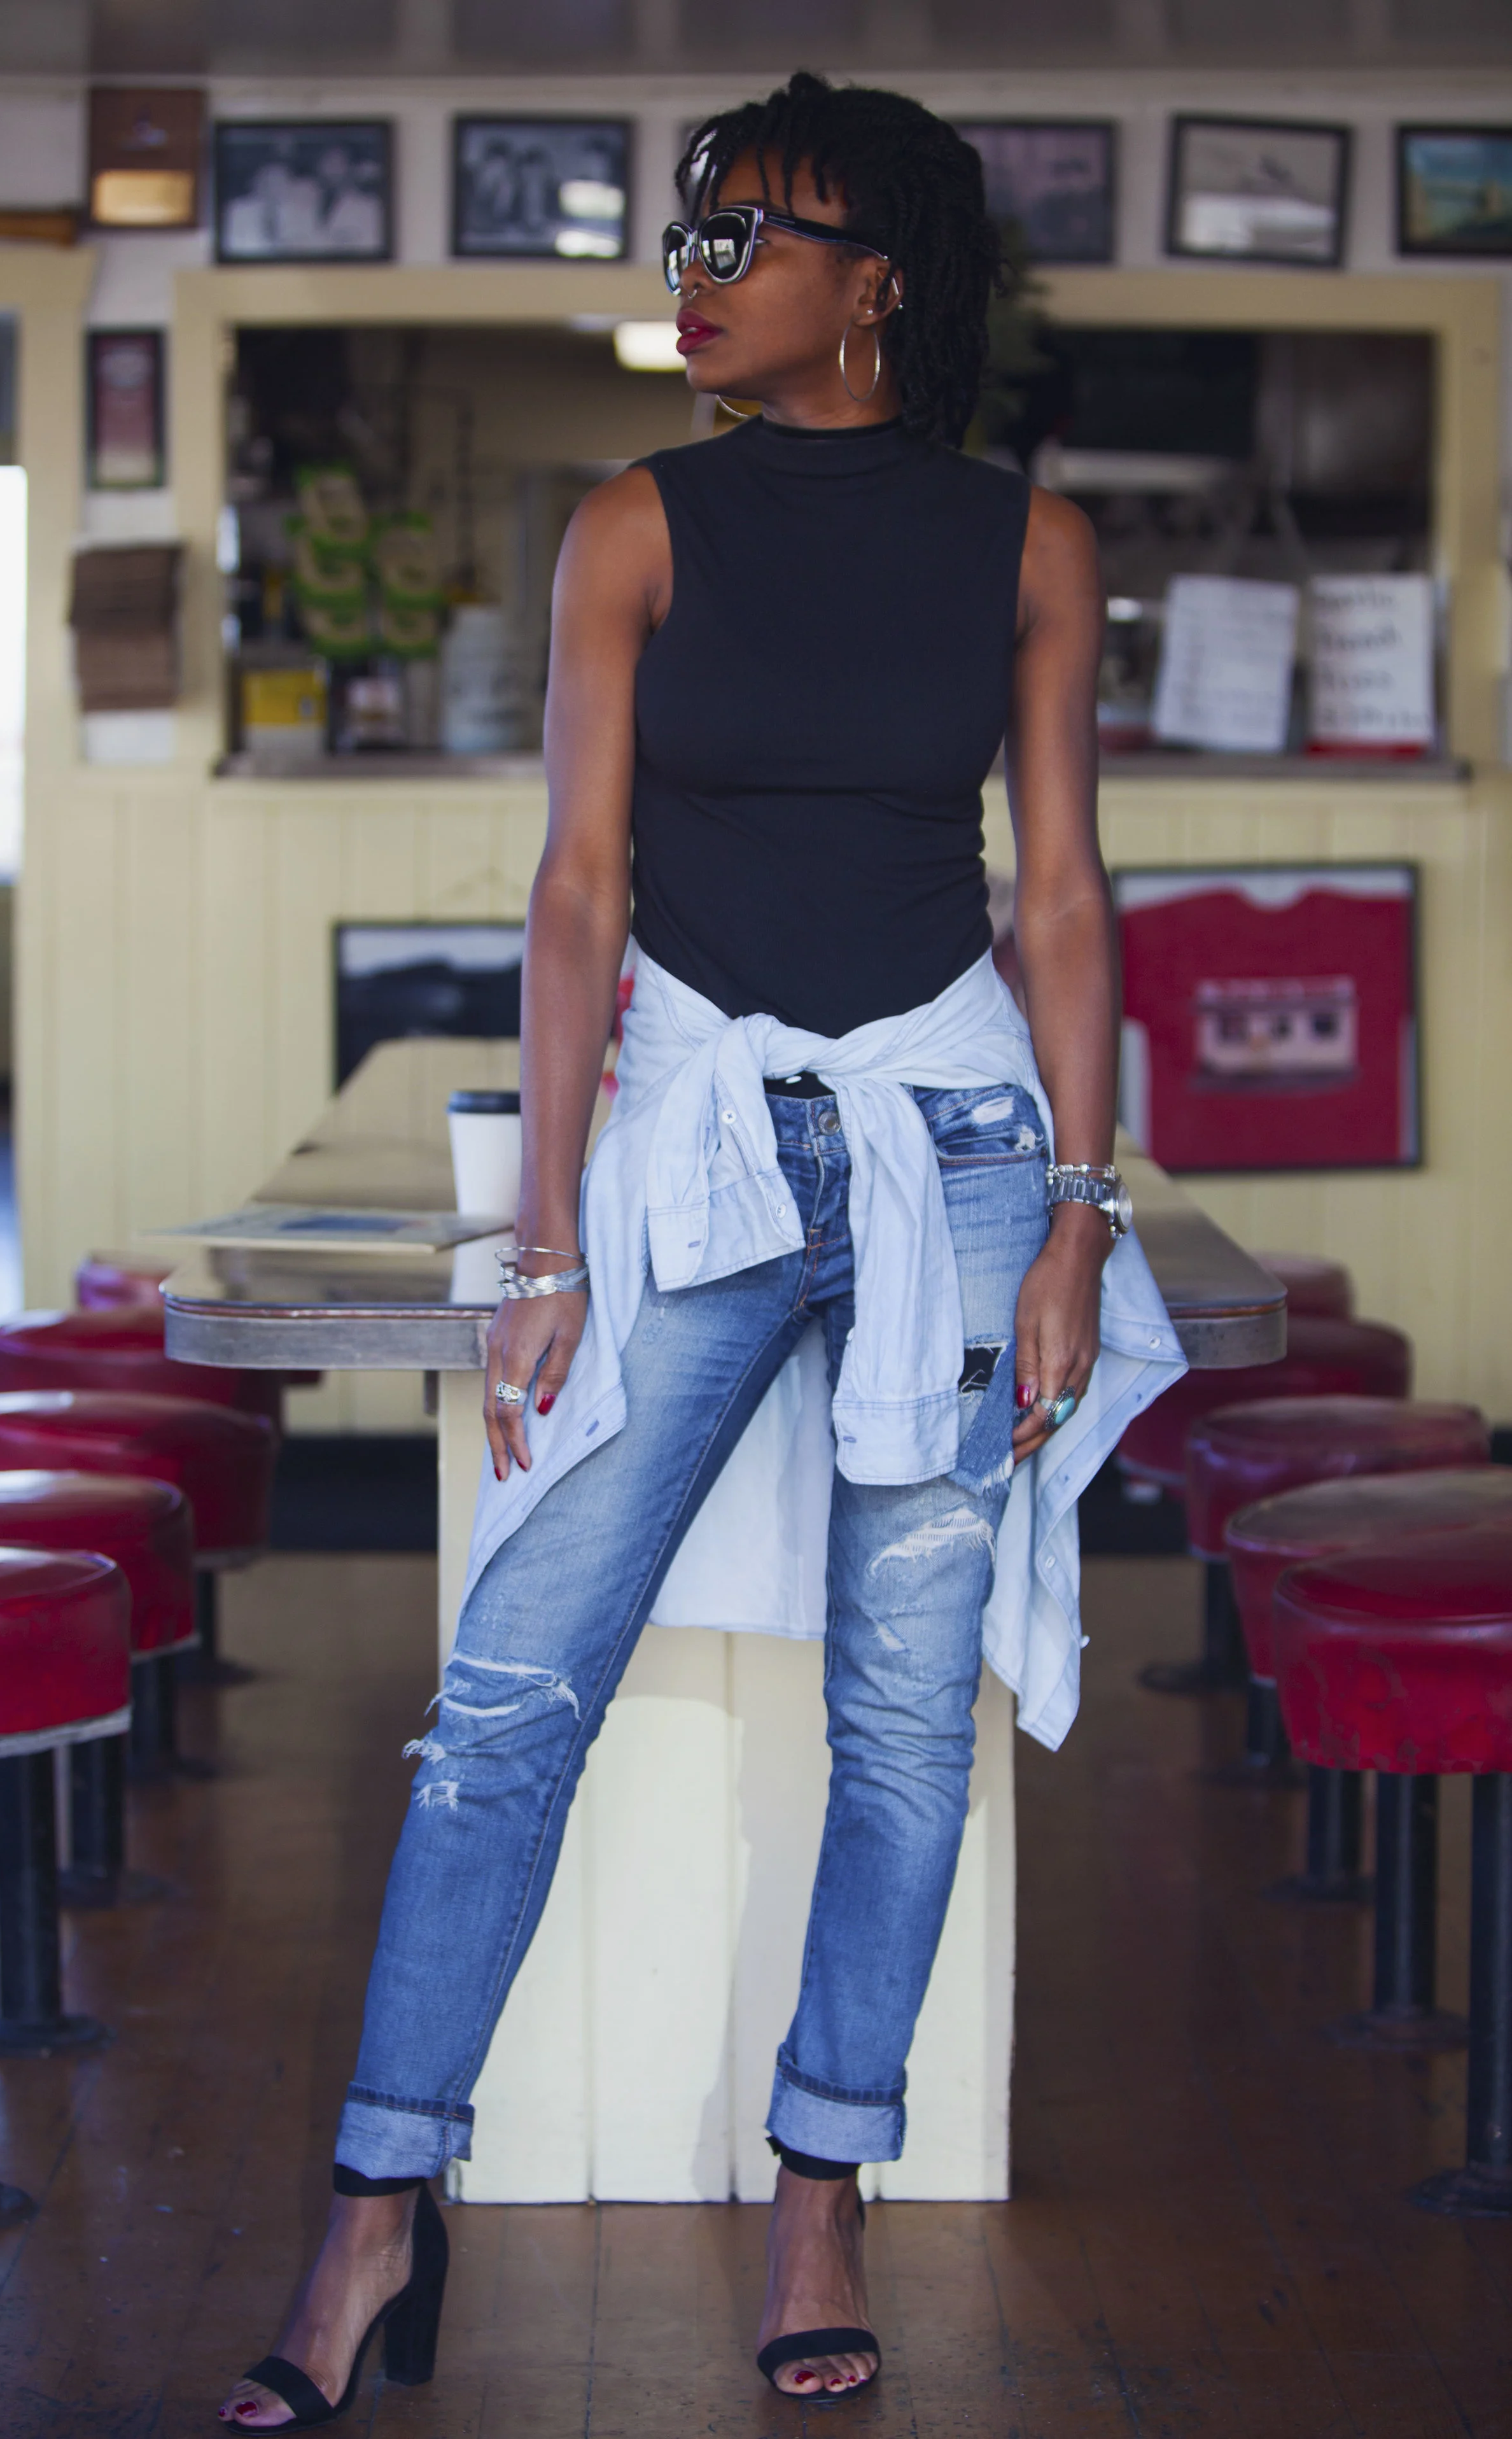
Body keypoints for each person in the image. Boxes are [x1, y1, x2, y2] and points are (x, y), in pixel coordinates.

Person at [220, 69, 1182, 2429]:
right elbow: (572, 895)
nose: (703, 260)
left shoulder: (1022, 546)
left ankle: (820, 2192)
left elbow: (1057, 895)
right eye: (692, 222)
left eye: (753, 228)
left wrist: (1077, 1207)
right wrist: (541, 1240)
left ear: (881, 286)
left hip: (951, 1154)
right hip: (695, 1157)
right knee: (503, 1705)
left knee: (895, 1727)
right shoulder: (630, 526)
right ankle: (374, 2208)